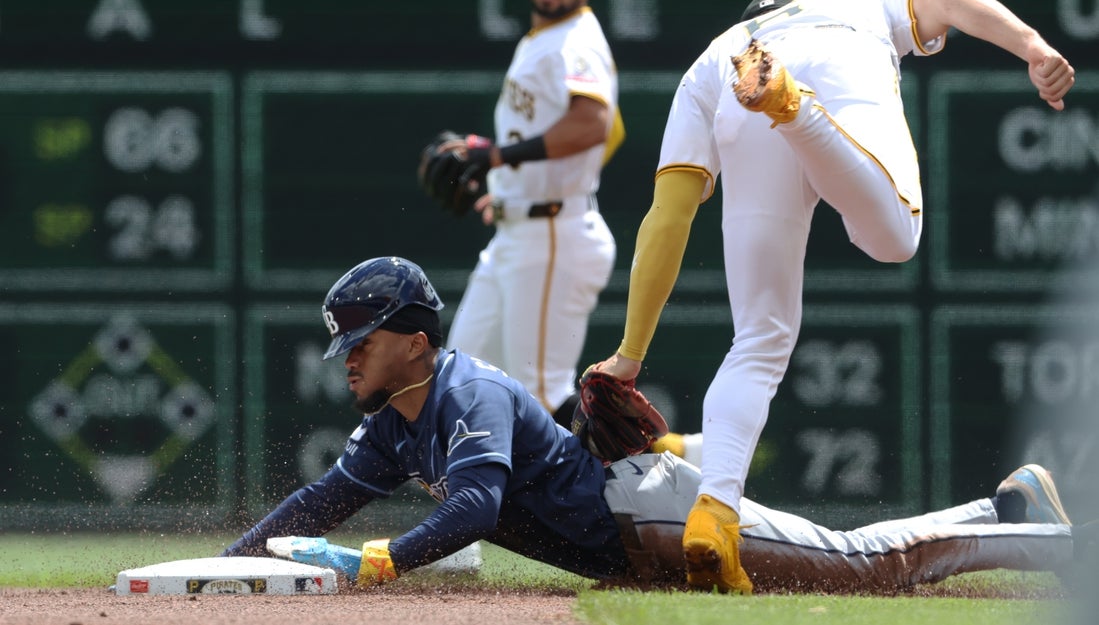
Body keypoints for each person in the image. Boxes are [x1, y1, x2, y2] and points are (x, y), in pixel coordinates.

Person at [592, 0, 1077, 593]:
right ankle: (793, 106)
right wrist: (1032, 45)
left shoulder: (716, 55)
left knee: (759, 338)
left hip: (739, 97)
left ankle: (714, 514)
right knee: (894, 238)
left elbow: (668, 217)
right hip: (832, 60)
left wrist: (629, 354)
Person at [223, 256, 1093, 595]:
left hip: (655, 514)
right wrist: (225, 564)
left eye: (362, 342)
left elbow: (476, 506)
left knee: (868, 567)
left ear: (414, 342)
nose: (347, 358)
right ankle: (1003, 506)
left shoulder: (467, 392)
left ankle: (1060, 542)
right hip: (633, 536)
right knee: (858, 558)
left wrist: (387, 557)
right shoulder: (394, 423)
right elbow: (322, 500)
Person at [439, 0, 622, 427]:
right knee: (460, 382)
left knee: (540, 399)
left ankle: (673, 460)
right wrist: (510, 192)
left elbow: (594, 125)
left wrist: (499, 158)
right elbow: (602, 132)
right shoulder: (543, 38)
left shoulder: (576, 41)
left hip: (554, 235)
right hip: (521, 230)